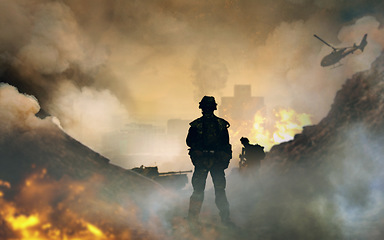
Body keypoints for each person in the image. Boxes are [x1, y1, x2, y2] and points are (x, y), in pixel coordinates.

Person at [186, 96, 233, 225]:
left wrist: (224, 157)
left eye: (208, 107)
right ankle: (193, 220)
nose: (207, 109)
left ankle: (225, 218)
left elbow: (226, 145)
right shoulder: (197, 125)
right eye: (206, 107)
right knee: (199, 192)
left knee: (218, 191)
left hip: (215, 162)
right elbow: (190, 142)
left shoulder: (220, 125)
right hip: (203, 162)